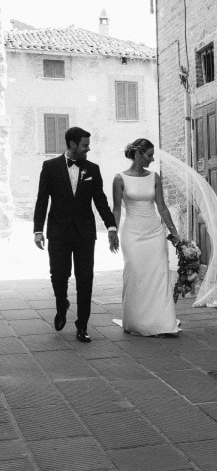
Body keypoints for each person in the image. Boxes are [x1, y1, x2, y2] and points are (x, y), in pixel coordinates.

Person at [33, 126, 119, 343]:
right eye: (85, 145)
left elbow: (100, 200)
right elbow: (42, 200)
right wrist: (37, 230)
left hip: (84, 233)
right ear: (72, 144)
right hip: (58, 232)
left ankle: (82, 325)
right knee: (59, 276)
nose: (88, 149)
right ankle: (61, 305)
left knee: (85, 279)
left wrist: (111, 227)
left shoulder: (92, 169)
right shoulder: (50, 167)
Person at [112, 138, 180, 336]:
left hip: (154, 233)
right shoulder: (119, 179)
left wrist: (173, 231)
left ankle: (163, 322)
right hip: (132, 233)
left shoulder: (154, 177)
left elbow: (162, 207)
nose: (152, 159)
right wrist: (112, 232)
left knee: (158, 276)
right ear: (138, 154)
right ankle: (135, 321)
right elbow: (116, 210)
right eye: (149, 155)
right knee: (134, 274)